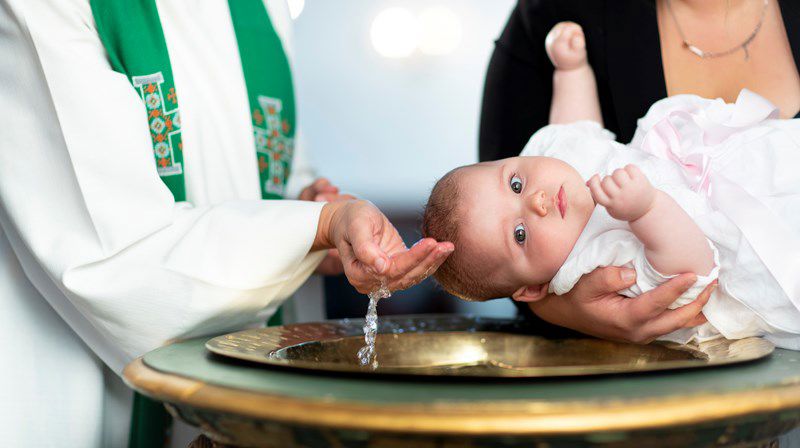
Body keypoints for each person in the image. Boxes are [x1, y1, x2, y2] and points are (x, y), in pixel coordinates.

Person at [0, 1, 453, 447]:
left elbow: (273, 169)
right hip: (87, 383)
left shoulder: (268, 8)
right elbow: (108, 253)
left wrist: (314, 221)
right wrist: (312, 227)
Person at [422, 20, 800, 349]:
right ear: (532, 291)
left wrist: (571, 71)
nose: (537, 202)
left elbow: (577, 132)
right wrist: (647, 211)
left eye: (516, 185)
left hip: (742, 166)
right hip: (750, 251)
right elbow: (690, 273)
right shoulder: (593, 263)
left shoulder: (553, 161)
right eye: (520, 234)